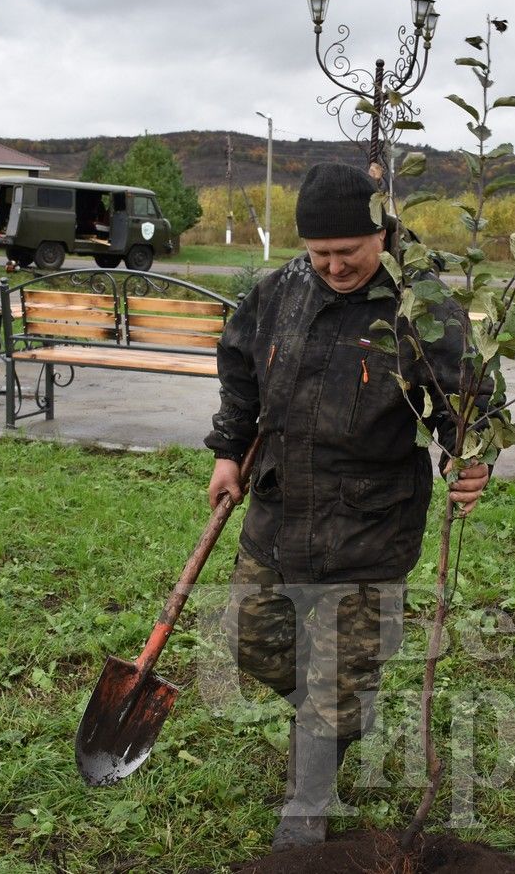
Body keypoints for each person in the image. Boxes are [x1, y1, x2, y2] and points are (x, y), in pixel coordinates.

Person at [204, 162, 490, 851]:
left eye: (348, 253)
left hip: (369, 524)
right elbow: (240, 368)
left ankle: (308, 796)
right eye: (320, 253)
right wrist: (225, 449)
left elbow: (468, 403)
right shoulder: (275, 294)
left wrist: (469, 458)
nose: (333, 266)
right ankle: (334, 715)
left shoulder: (419, 307)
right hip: (278, 511)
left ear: (381, 234)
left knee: (338, 678)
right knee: (253, 644)